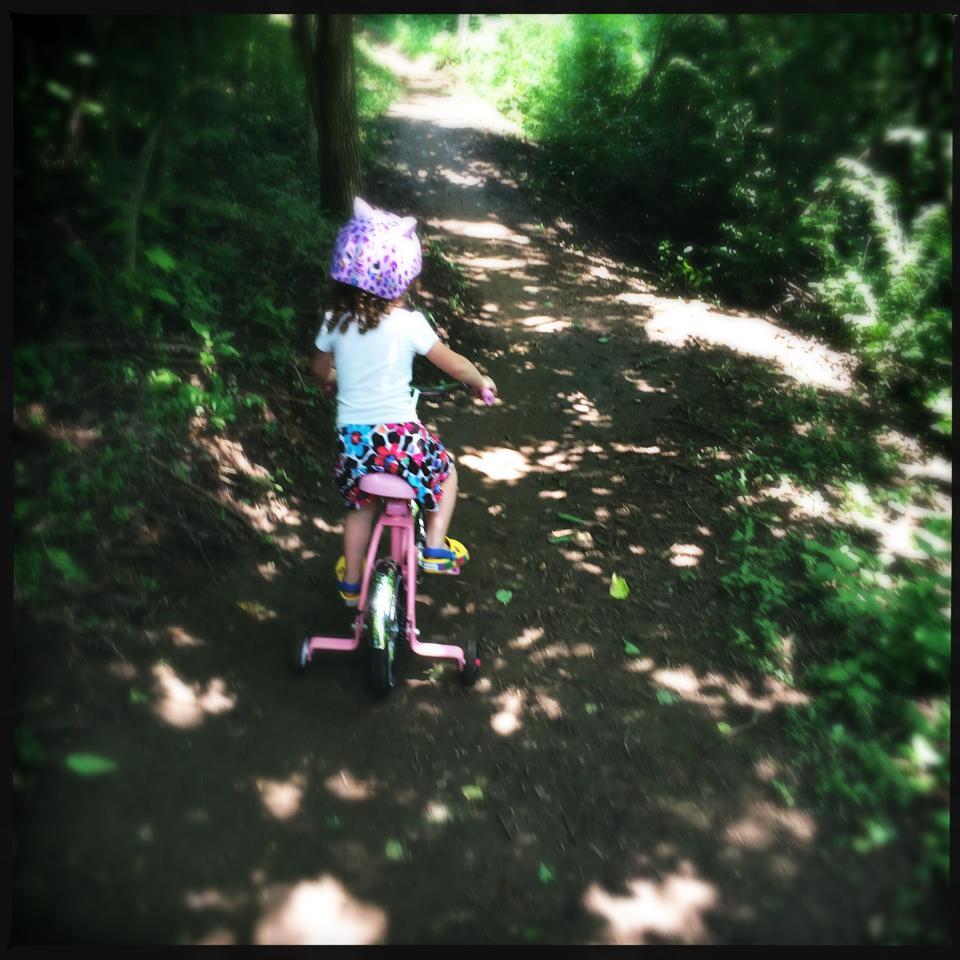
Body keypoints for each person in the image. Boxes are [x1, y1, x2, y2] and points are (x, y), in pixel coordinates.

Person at [311, 197, 497, 607]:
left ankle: (353, 581)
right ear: (404, 278)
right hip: (402, 441)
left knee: (360, 506)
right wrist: (479, 381)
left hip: (355, 446)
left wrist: (336, 382)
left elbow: (321, 373)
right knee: (446, 471)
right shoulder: (410, 324)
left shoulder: (333, 322)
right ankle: (433, 546)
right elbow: (457, 366)